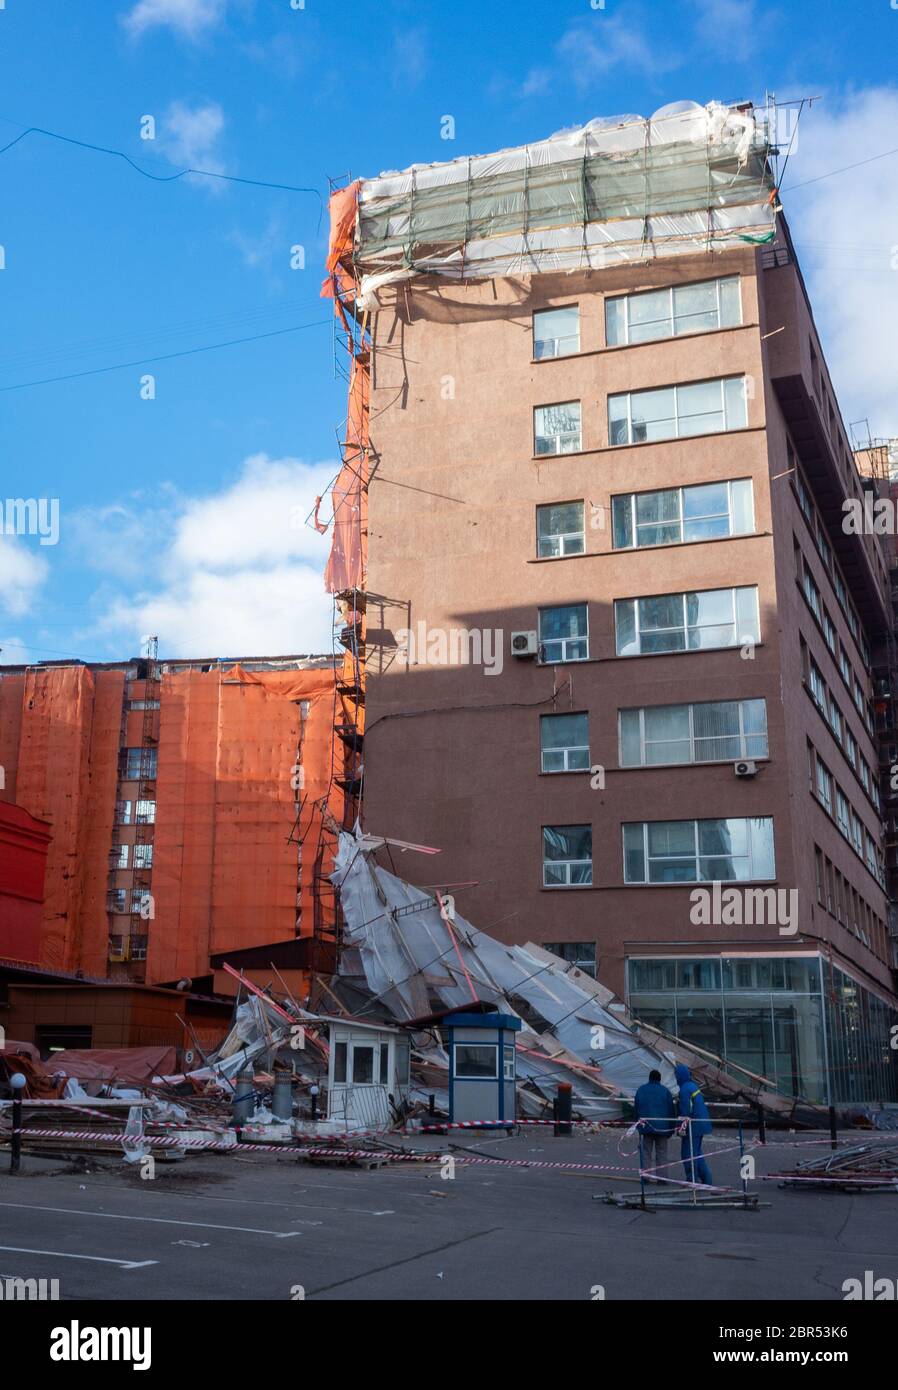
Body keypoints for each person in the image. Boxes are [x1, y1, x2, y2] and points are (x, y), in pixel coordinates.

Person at [633, 1068, 676, 1182]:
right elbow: (671, 1111)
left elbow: (636, 1108)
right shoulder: (665, 1091)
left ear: (649, 1078)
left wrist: (637, 1125)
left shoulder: (641, 1090)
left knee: (646, 1152)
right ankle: (661, 1178)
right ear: (659, 1079)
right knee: (662, 1153)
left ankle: (646, 1177)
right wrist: (671, 1129)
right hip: (663, 1128)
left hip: (646, 1127)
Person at [674, 1063, 713, 1186]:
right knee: (696, 1153)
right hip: (701, 1124)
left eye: (676, 1075)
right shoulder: (692, 1086)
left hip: (693, 1126)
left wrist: (680, 1127)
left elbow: (685, 1111)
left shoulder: (684, 1090)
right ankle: (707, 1180)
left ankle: (692, 1180)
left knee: (688, 1153)